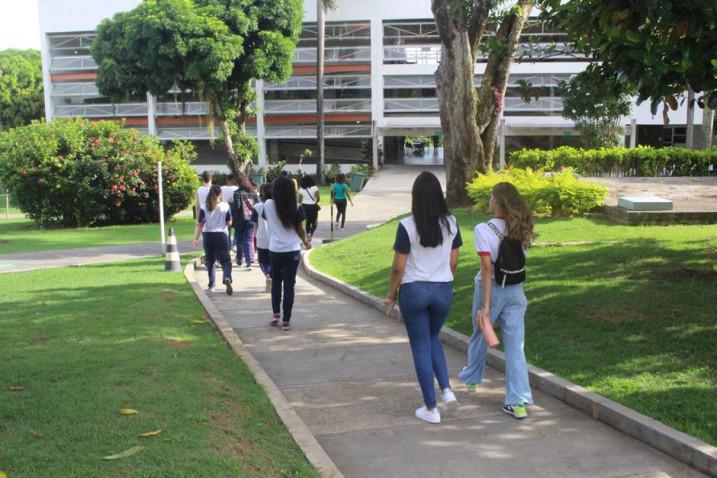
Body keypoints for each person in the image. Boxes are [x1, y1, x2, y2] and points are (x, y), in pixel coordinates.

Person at [383, 171, 462, 424]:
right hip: (442, 289)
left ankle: (431, 407)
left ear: (415, 197)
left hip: (414, 290)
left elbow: (398, 267)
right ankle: (447, 390)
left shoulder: (407, 225)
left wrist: (390, 295)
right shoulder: (452, 223)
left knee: (420, 345)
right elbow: (453, 262)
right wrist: (442, 280)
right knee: (432, 337)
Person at [459, 182, 535, 419]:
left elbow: (485, 267)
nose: (489, 201)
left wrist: (485, 304)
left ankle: (472, 377)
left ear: (498, 201)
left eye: (492, 197)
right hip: (516, 291)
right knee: (516, 347)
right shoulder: (522, 228)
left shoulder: (483, 229)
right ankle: (518, 402)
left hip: (490, 290)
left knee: (480, 333)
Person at [262, 176, 311, 331]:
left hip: (275, 249)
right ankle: (286, 320)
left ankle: (275, 313)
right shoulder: (296, 207)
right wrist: (306, 241)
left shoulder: (268, 205)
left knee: (276, 282)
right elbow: (300, 228)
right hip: (292, 250)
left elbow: (266, 219)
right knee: (289, 285)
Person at [192, 185, 233, 295]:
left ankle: (212, 285)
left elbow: (201, 224)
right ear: (220, 194)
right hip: (221, 235)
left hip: (208, 235)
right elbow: (229, 222)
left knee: (210, 261)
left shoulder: (204, 207)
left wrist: (196, 239)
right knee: (225, 260)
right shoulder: (225, 206)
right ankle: (227, 277)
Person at [232, 175, 260, 270]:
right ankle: (242, 259)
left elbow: (237, 207)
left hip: (240, 220)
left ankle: (246, 260)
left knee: (240, 240)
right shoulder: (253, 192)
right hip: (252, 220)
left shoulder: (237, 193)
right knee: (248, 240)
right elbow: (258, 204)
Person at [252, 182, 273, 293]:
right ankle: (272, 276)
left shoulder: (257, 207)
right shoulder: (277, 206)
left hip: (262, 237)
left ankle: (267, 274)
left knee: (263, 261)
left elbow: (255, 224)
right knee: (273, 261)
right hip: (275, 238)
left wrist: (254, 236)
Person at [299, 175, 320, 241]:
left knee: (308, 222)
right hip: (313, 206)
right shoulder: (315, 188)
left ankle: (308, 234)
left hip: (304, 206)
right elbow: (318, 197)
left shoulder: (301, 189)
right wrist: (315, 201)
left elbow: (299, 200)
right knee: (315, 222)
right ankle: (310, 233)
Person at [221, 174, 238, 249]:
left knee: (227, 229)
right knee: (237, 229)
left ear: (227, 180)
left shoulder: (222, 188)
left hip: (225, 210)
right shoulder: (236, 188)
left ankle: (228, 246)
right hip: (235, 210)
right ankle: (235, 244)